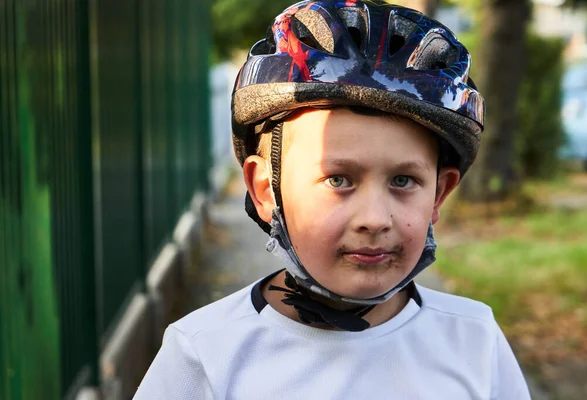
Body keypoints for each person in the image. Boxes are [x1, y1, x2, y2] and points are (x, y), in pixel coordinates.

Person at [134, 1, 531, 398]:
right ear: (263, 189)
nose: (375, 219)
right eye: (338, 179)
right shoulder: (205, 355)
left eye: (404, 180)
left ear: (438, 194)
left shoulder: (476, 343)